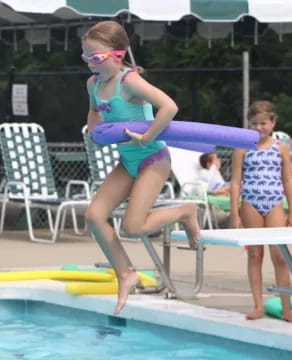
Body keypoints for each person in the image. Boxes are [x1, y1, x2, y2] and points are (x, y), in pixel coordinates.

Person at [82, 20, 200, 315]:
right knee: (94, 215)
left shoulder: (130, 82)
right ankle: (126, 273)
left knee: (133, 228)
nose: (90, 65)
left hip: (152, 158)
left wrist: (148, 135)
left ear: (118, 55)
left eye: (96, 58)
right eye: (86, 58)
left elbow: (169, 106)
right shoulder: (93, 83)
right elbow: (95, 110)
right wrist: (94, 131)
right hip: (127, 159)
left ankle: (185, 211)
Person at [230, 100, 292, 323]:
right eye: (254, 124)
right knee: (255, 254)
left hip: (274, 203)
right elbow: (235, 182)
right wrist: (235, 213)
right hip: (251, 202)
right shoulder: (242, 146)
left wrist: (291, 210)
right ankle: (258, 305)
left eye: (263, 123)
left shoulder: (280, 146)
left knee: (280, 256)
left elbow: (288, 180)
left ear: (273, 122)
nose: (259, 128)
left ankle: (286, 308)